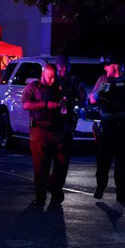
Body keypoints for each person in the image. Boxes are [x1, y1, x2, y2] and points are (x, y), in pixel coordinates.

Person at [89, 54, 125, 204]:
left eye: (107, 65)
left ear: (115, 65)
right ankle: (100, 187)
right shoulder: (103, 80)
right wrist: (99, 91)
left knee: (123, 163)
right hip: (108, 126)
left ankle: (122, 193)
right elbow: (92, 99)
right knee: (103, 160)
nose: (104, 68)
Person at [22, 63, 71, 206]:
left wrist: (65, 104)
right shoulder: (33, 87)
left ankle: (55, 188)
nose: (52, 81)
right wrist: (46, 104)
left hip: (59, 130)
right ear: (43, 74)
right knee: (40, 166)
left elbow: (72, 100)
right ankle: (40, 195)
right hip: (40, 130)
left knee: (62, 164)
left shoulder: (60, 87)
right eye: (50, 77)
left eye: (54, 77)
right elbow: (26, 105)